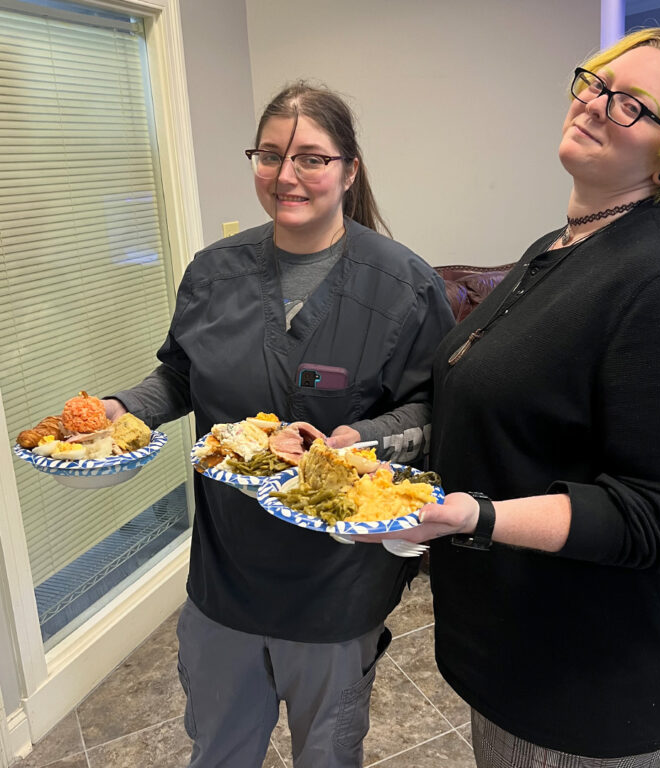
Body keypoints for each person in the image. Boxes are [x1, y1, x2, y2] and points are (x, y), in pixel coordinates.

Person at [372, 27, 660, 767]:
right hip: (516, 636)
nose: (592, 102)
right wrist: (363, 449)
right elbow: (478, 395)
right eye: (593, 82)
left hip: (592, 670)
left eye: (629, 104)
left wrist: (472, 516)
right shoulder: (558, 247)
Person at [101, 82, 455, 768]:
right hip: (224, 581)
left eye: (312, 159)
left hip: (335, 590)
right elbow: (180, 374)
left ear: (349, 170)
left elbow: (435, 409)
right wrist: (122, 411)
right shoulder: (212, 274)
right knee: (221, 749)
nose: (286, 175)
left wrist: (358, 439)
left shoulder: (405, 287)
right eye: (269, 155)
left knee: (325, 755)